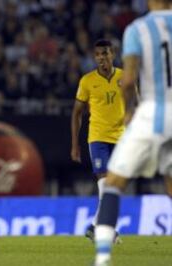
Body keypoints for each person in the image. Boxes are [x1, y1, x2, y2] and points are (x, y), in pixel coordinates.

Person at [94, 0, 172, 265]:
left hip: (151, 113)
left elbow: (128, 81)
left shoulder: (138, 29)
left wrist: (129, 111)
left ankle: (103, 257)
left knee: (113, 183)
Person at [71, 39, 125, 243]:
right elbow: (76, 113)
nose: (102, 58)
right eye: (98, 55)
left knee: (115, 187)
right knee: (104, 183)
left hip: (121, 138)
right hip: (98, 138)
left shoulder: (124, 77)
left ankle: (95, 227)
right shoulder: (87, 81)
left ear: (113, 54)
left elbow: (134, 105)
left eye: (105, 53)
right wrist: (75, 144)